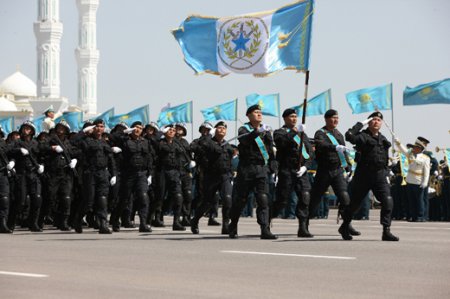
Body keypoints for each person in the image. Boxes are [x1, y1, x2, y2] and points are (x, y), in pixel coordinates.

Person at [342, 111, 399, 241]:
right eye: (373, 119)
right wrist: (360, 124)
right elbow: (349, 136)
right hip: (364, 174)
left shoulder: (383, 139)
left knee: (388, 201)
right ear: (368, 122)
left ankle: (386, 230)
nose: (376, 121)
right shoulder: (363, 136)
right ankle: (345, 225)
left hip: (379, 175)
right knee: (355, 204)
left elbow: (383, 157)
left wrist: (388, 168)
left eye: (379, 120)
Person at [228, 105, 278, 239]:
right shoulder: (244, 129)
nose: (259, 114)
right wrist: (257, 131)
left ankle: (265, 229)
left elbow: (270, 152)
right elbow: (245, 140)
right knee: (240, 200)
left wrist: (273, 168)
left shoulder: (266, 131)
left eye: (260, 112)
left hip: (261, 169)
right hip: (246, 169)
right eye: (256, 112)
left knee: (263, 199)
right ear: (249, 115)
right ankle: (233, 224)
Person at [308, 109, 359, 238]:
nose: (335, 120)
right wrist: (333, 147)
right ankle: (304, 223)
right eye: (332, 118)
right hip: (324, 171)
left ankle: (346, 225)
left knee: (345, 198)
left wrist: (348, 167)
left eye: (337, 118)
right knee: (315, 199)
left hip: (337, 171)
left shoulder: (339, 134)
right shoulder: (320, 133)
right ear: (326, 119)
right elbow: (322, 145)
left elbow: (344, 152)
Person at [272, 108, 314, 237]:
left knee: (305, 197)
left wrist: (305, 167)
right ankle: (267, 221)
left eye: (295, 116)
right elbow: (281, 143)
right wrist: (294, 132)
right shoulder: (279, 132)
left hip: (300, 171)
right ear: (285, 118)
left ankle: (303, 228)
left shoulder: (302, 134)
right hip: (286, 170)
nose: (294, 119)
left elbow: (309, 152)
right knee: (282, 200)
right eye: (291, 116)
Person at [72, 119, 117, 234]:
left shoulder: (105, 142)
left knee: (102, 199)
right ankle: (77, 219)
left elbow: (111, 159)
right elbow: (72, 142)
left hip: (103, 173)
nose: (99, 128)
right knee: (89, 201)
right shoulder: (85, 141)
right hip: (90, 173)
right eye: (97, 126)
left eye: (102, 126)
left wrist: (114, 174)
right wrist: (83, 132)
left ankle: (103, 225)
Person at [190, 121, 234, 235]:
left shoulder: (228, 146)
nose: (222, 129)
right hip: (211, 176)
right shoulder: (208, 142)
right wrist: (210, 134)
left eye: (224, 128)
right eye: (219, 128)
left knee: (227, 199)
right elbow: (203, 145)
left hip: (225, 176)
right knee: (207, 203)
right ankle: (195, 221)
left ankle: (225, 225)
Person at [109, 121, 153, 232]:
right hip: (128, 174)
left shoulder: (145, 142)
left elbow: (149, 159)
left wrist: (150, 174)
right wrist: (124, 132)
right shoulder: (124, 140)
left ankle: (143, 223)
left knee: (143, 197)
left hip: (141, 174)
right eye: (136, 127)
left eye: (140, 128)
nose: (138, 130)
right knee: (124, 200)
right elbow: (111, 138)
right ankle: (115, 220)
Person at [40, 120, 79, 231]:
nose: (60, 130)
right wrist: (52, 148)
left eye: (63, 128)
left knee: (66, 198)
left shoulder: (68, 142)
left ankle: (63, 222)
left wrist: (75, 159)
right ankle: (41, 219)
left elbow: (76, 152)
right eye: (59, 128)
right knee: (50, 198)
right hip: (53, 173)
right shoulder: (50, 139)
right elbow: (40, 147)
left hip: (66, 174)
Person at [8, 121, 45, 232]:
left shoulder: (36, 143)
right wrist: (18, 150)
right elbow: (8, 150)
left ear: (32, 131)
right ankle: (11, 223)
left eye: (28, 129)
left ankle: (33, 223)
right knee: (21, 201)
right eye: (24, 128)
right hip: (21, 174)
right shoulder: (17, 142)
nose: (25, 130)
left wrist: (42, 165)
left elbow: (42, 156)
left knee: (37, 199)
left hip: (33, 174)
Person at [154, 124, 185, 231]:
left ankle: (176, 222)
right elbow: (156, 144)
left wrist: (181, 172)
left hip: (174, 172)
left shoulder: (177, 144)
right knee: (160, 196)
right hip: (162, 171)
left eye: (173, 130)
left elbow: (181, 157)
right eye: (169, 130)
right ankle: (157, 218)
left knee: (178, 196)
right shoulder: (160, 143)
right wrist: (160, 133)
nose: (172, 131)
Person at [395, 136, 430, 222]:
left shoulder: (425, 158)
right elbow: (403, 150)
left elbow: (427, 172)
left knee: (419, 201)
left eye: (415, 147)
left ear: (420, 148)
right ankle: (414, 216)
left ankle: (420, 216)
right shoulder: (410, 154)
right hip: (410, 180)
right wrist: (398, 143)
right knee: (411, 201)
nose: (413, 148)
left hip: (419, 181)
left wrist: (425, 182)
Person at [174, 123, 195, 226]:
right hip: (174, 170)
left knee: (188, 194)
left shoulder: (185, 142)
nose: (178, 130)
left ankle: (186, 217)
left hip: (185, 170)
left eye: (180, 129)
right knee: (177, 196)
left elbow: (189, 154)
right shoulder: (171, 141)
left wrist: (191, 162)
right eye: (177, 129)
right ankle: (175, 219)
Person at [0, 125, 14, 233]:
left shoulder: (4, 144)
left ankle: (2, 223)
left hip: (2, 173)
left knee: (4, 199)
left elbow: (12, 153)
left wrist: (13, 161)